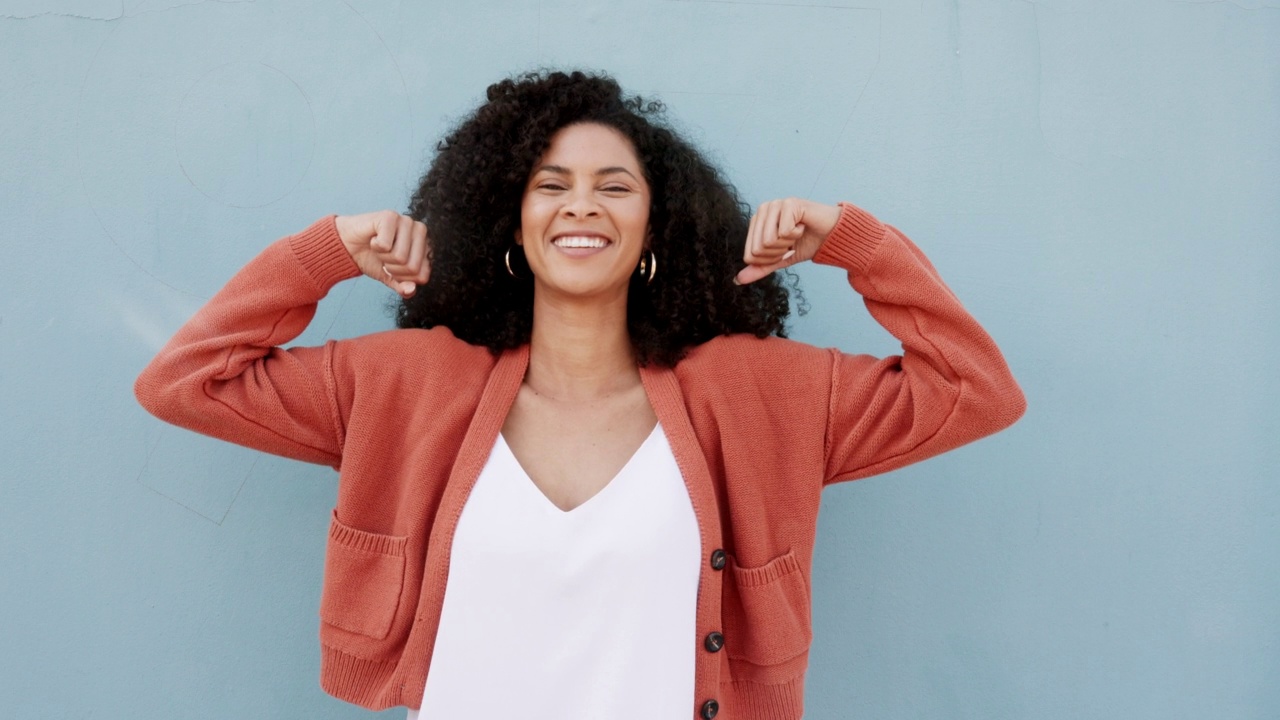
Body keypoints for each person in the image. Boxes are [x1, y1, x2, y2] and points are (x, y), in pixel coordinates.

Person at [135, 70, 1025, 720]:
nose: (581, 206)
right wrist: (325, 250)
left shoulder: (755, 394)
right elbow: (185, 381)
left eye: (614, 186)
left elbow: (974, 391)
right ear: (509, 222)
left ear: (655, 227)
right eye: (550, 186)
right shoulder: (407, 386)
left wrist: (852, 241)